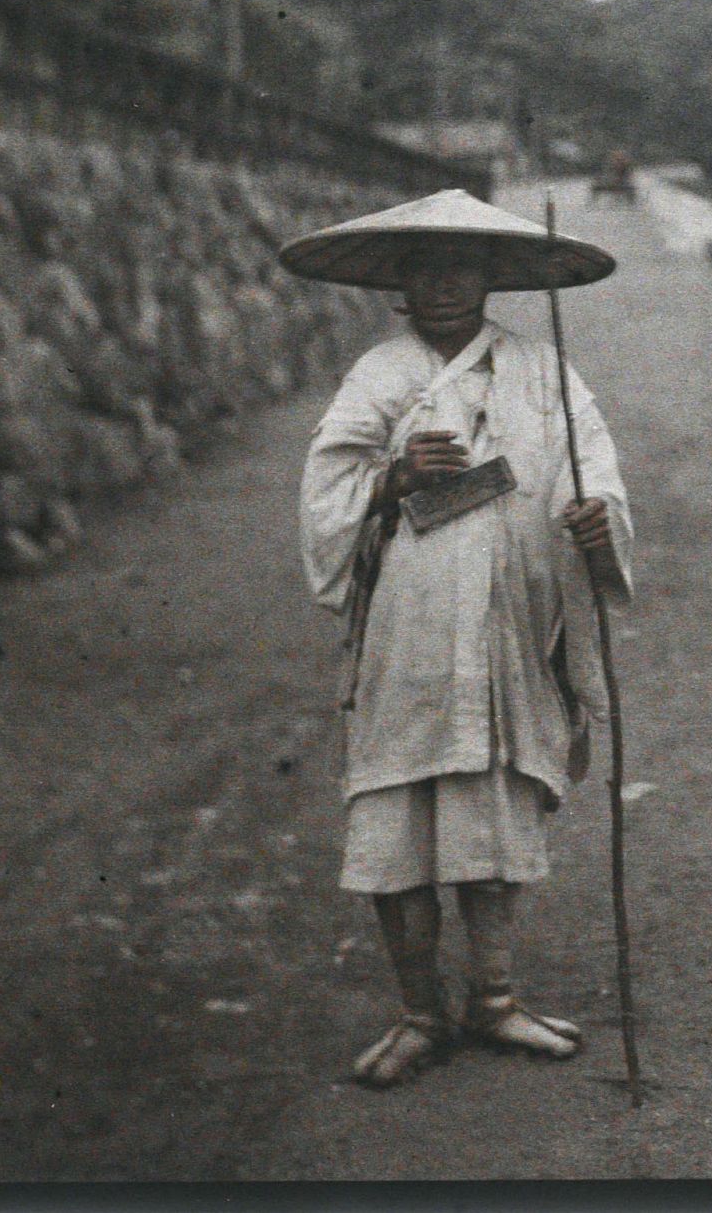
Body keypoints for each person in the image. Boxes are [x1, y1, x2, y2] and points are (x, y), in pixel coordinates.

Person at [281, 190, 632, 1090]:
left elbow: (592, 467)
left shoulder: (543, 368)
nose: (443, 284)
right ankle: (417, 1012)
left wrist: (598, 522)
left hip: (510, 617)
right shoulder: (380, 374)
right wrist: (393, 476)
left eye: (462, 265)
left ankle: (495, 995)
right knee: (396, 799)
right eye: (424, 267)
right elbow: (328, 492)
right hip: (409, 622)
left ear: (490, 277)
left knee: (494, 789)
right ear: (400, 281)